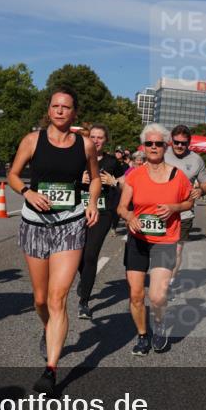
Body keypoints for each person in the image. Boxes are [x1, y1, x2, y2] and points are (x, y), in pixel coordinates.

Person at [7, 88, 100, 394]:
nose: (60, 111)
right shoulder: (32, 140)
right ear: (49, 110)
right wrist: (28, 192)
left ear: (74, 113)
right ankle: (48, 329)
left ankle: (50, 370)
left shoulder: (85, 145)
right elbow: (13, 175)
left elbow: (95, 178)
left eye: (66, 107)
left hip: (70, 224)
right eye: (55, 106)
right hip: (35, 224)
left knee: (57, 298)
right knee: (40, 299)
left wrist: (91, 202)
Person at [117, 123, 193, 355]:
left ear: (165, 146)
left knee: (157, 296)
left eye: (158, 143)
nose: (153, 147)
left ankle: (159, 326)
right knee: (136, 295)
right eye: (149, 143)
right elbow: (121, 207)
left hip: (165, 240)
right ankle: (142, 335)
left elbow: (189, 202)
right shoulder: (135, 175)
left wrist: (174, 207)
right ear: (143, 146)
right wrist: (130, 216)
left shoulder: (178, 176)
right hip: (138, 240)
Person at [76, 124, 125, 320]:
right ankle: (85, 278)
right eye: (93, 137)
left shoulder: (112, 162)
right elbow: (63, 181)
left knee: (90, 254)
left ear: (105, 141)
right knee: (77, 255)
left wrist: (114, 182)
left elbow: (125, 186)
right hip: (77, 210)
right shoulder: (77, 158)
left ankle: (84, 302)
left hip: (103, 212)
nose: (96, 140)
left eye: (100, 137)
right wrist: (78, 179)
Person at [163, 124, 206, 295]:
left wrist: (201, 190)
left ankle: (169, 284)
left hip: (184, 213)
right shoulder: (161, 153)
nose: (179, 146)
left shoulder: (196, 160)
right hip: (159, 211)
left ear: (189, 143)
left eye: (183, 143)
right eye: (176, 142)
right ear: (171, 141)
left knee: (176, 250)